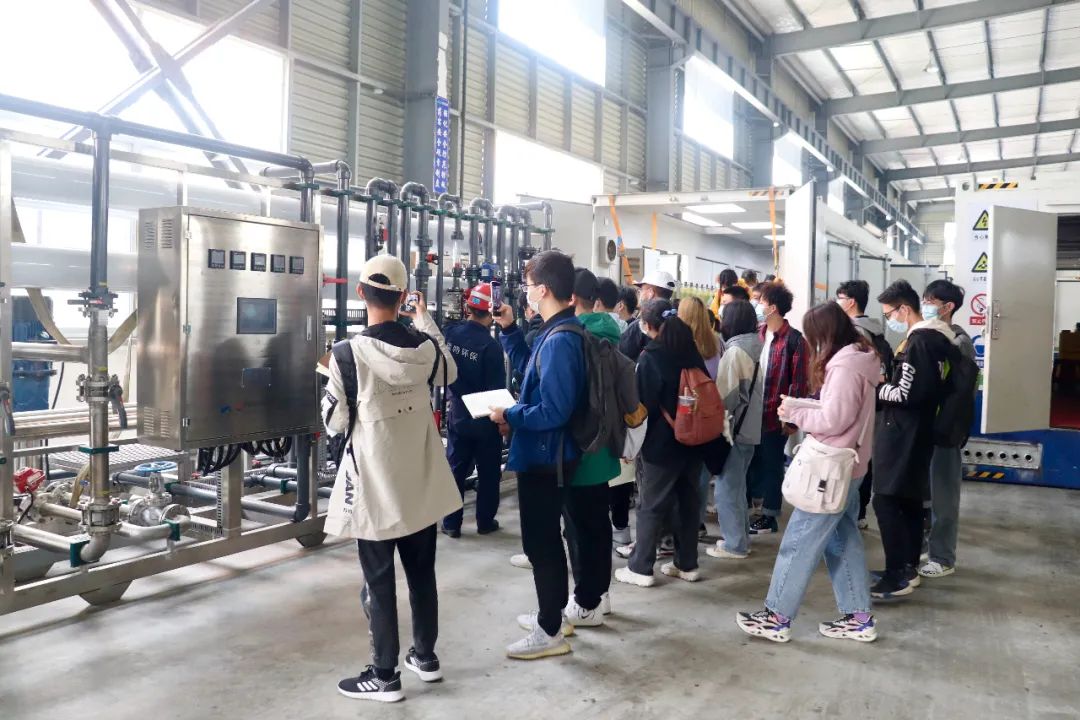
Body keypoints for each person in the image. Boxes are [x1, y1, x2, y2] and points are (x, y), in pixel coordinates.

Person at [324, 255, 461, 703]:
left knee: (379, 583)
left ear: (360, 293)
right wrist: (424, 318)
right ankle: (425, 656)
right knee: (422, 575)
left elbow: (334, 422)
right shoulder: (426, 349)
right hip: (420, 483)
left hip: (375, 486)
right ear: (403, 298)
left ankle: (384, 676)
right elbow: (450, 371)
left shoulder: (346, 354)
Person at [736, 302, 879, 644]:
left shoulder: (845, 366)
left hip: (830, 469)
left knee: (798, 542)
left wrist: (796, 415)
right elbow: (840, 410)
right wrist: (801, 405)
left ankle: (776, 617)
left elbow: (834, 419)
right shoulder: (861, 357)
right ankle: (859, 617)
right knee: (842, 540)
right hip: (848, 465)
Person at [489, 250, 586, 660]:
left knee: (542, 544)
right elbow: (533, 371)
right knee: (544, 542)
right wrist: (510, 330)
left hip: (548, 459)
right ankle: (554, 616)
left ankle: (549, 632)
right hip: (546, 455)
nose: (526, 291)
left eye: (529, 285)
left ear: (543, 289)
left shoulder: (561, 340)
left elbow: (555, 410)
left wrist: (510, 414)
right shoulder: (556, 332)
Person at [871, 279, 954, 599]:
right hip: (918, 430)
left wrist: (878, 388)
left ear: (904, 309)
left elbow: (907, 393)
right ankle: (907, 568)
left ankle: (898, 575)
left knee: (886, 499)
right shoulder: (937, 340)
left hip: (903, 431)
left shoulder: (919, 342)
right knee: (907, 500)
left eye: (889, 313)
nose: (890, 319)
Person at [614, 299, 706, 588]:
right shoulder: (692, 352)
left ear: (648, 325)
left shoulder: (652, 356)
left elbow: (643, 407)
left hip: (662, 445)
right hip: (694, 440)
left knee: (650, 506)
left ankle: (640, 567)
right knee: (687, 504)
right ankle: (687, 564)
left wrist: (630, 444)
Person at [919, 279, 976, 579]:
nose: (925, 305)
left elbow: (961, 393)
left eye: (930, 301)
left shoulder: (958, 342)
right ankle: (926, 547)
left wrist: (950, 429)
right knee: (923, 493)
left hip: (945, 429)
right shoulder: (926, 334)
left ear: (948, 306)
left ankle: (943, 557)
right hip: (923, 426)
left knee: (943, 495)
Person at [441, 283, 507, 538]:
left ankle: (451, 523)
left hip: (458, 413)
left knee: (455, 470)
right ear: (493, 312)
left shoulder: (450, 333)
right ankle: (485, 521)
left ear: (468, 307)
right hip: (485, 418)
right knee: (489, 473)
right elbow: (497, 391)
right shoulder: (491, 347)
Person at [746, 282, 809, 535]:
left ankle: (770, 515)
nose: (757, 305)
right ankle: (754, 506)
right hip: (752, 411)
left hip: (774, 413)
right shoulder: (758, 333)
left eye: (760, 301)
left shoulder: (794, 340)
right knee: (752, 461)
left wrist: (790, 419)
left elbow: (798, 382)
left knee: (772, 464)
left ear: (772, 307)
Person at [707, 300, 764, 560]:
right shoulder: (756, 346)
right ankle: (740, 539)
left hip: (735, 430)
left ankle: (735, 545)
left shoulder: (735, 353)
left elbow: (726, 397)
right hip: (751, 428)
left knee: (727, 489)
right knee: (738, 487)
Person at [836, 279, 891, 530]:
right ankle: (859, 512)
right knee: (864, 458)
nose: (837, 302)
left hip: (857, 403)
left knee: (852, 458)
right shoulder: (876, 330)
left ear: (851, 302)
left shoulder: (856, 333)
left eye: (840, 298)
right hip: (874, 403)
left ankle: (852, 511)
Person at [679, 295, 723, 534]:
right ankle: (697, 522)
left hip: (687, 412)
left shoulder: (682, 344)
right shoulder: (716, 342)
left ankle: (685, 523)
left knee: (684, 472)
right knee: (702, 472)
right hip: (710, 412)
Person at [619, 270, 676, 361]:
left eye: (641, 290)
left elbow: (620, 357)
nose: (640, 294)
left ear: (650, 293)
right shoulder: (678, 322)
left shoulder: (640, 326)